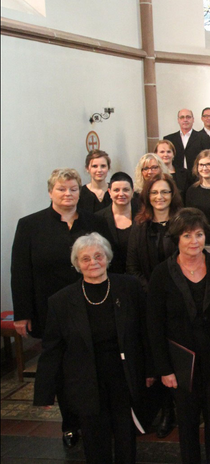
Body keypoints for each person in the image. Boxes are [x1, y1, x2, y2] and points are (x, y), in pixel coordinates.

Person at [34, 233, 150, 464]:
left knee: (126, 436)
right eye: (85, 259)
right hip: (84, 378)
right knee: (94, 439)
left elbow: (145, 332)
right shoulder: (61, 301)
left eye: (98, 256)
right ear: (77, 264)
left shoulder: (129, 287)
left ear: (108, 257)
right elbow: (53, 349)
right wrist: (45, 391)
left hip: (123, 375)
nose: (93, 262)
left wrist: (151, 370)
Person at [11, 168, 103, 447]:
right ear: (50, 191)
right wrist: (22, 314)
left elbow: (110, 261)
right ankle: (70, 424)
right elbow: (20, 271)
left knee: (93, 365)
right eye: (61, 189)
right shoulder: (30, 225)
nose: (68, 194)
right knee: (63, 369)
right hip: (51, 309)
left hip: (92, 305)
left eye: (73, 189)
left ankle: (95, 421)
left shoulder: (94, 221)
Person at [147, 208, 210, 464]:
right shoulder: (161, 273)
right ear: (177, 239)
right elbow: (154, 325)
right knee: (187, 423)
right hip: (180, 362)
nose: (194, 241)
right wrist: (164, 369)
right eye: (187, 235)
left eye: (199, 234)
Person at [126, 173, 182, 437]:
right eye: (155, 192)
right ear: (147, 197)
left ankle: (182, 407)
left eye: (165, 192)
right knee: (157, 354)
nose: (160, 197)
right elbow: (132, 266)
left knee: (178, 355)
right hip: (149, 302)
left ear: (173, 195)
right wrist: (154, 292)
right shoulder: (140, 225)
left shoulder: (182, 222)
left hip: (179, 299)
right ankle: (165, 410)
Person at [96, 172, 137, 274]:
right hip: (111, 275)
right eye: (116, 190)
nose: (121, 194)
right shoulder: (98, 219)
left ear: (132, 191)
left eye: (126, 190)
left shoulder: (143, 216)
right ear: (109, 192)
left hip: (138, 276)